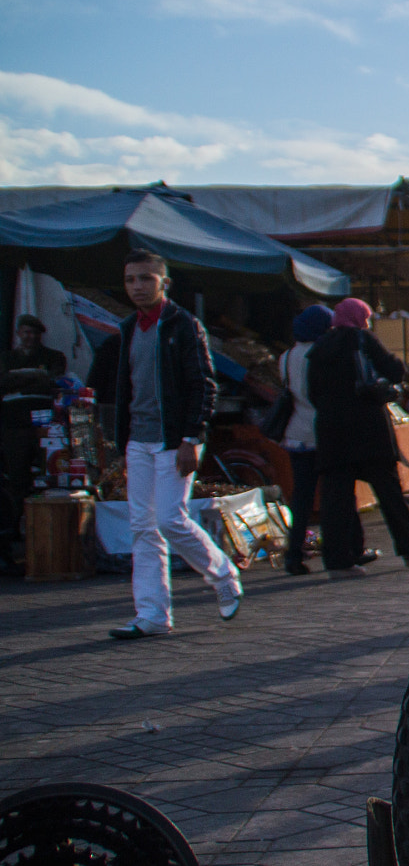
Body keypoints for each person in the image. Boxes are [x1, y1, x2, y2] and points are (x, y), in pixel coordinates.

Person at [99, 252, 243, 639]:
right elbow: (126, 386)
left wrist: (191, 438)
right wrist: (121, 440)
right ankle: (152, 615)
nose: (137, 287)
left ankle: (223, 575)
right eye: (130, 280)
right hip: (138, 440)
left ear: (164, 283)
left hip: (173, 439)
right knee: (142, 527)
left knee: (169, 518)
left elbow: (204, 384)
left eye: (146, 278)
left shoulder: (183, 325)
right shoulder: (129, 327)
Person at [308, 298, 409, 576]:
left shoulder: (319, 348)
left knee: (336, 500)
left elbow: (313, 394)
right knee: (388, 491)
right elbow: (394, 371)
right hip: (367, 429)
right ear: (360, 317)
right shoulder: (362, 339)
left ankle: (339, 563)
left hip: (331, 431)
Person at [279, 305, 331, 575]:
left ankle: (293, 553)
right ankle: (338, 550)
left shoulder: (286, 357)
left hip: (294, 434)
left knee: (301, 498)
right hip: (320, 433)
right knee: (332, 495)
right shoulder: (320, 355)